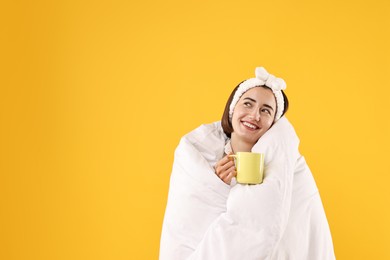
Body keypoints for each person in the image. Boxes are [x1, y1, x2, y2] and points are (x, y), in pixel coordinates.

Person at [160, 67, 335, 260]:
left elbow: (298, 229)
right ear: (233, 108)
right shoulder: (202, 158)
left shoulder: (288, 166)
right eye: (248, 104)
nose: (254, 115)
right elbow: (189, 221)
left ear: (273, 124)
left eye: (265, 110)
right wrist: (217, 185)